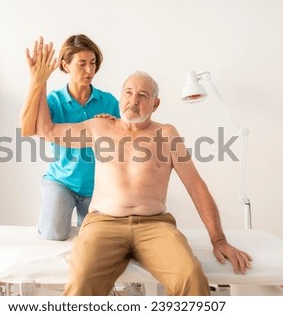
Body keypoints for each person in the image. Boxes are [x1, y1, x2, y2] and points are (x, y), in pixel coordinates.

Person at [29, 39, 252, 296]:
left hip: (155, 226)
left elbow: (196, 187)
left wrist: (219, 240)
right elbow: (45, 131)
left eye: (143, 95)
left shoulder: (167, 134)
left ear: (155, 104)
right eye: (128, 92)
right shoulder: (98, 127)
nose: (133, 100)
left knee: (190, 276)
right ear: (120, 96)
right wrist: (39, 80)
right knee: (81, 282)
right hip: (104, 224)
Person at [20, 35, 120, 241]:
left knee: (95, 240)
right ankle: (48, 219)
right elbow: (27, 129)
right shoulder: (55, 101)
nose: (89, 70)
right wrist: (38, 81)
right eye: (82, 64)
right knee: (54, 234)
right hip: (61, 182)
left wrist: (112, 126)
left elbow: (125, 140)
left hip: (96, 187)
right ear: (65, 65)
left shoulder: (108, 101)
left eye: (93, 63)